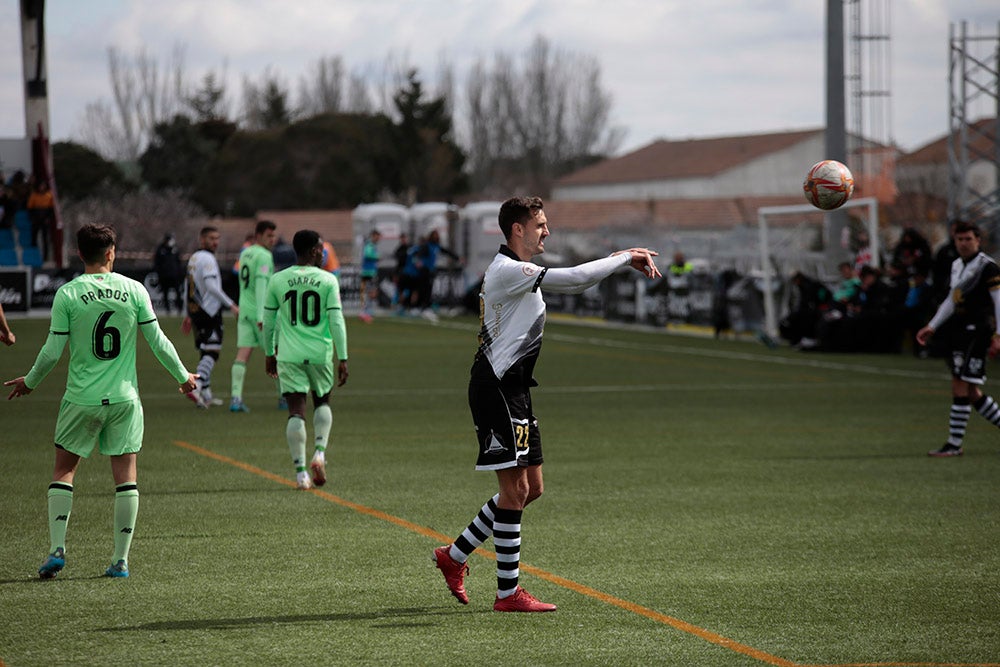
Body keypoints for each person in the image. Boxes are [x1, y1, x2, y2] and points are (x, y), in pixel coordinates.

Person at [432, 196, 661, 612]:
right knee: (514, 490)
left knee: (531, 489)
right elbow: (573, 279)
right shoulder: (507, 270)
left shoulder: (519, 271)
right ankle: (507, 594)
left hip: (516, 388)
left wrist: (615, 258)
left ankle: (454, 555)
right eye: (540, 224)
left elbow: (574, 276)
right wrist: (625, 257)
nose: (547, 231)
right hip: (496, 388)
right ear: (517, 229)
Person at [3, 223, 198, 579]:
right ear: (111, 253)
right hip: (125, 400)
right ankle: (120, 560)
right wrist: (184, 377)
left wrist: (30, 383)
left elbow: (51, 353)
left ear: (79, 253)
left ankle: (57, 549)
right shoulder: (134, 290)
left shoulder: (68, 294)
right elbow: (158, 342)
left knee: (64, 471)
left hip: (81, 399)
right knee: (126, 479)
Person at [263, 230, 349, 490]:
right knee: (322, 400)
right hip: (320, 353)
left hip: (289, 355)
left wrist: (269, 353)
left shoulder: (278, 280)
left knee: (295, 411)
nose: (323, 253)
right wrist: (343, 357)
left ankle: (301, 474)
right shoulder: (327, 280)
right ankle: (320, 453)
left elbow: (268, 322)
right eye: (321, 249)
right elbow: (336, 320)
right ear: (313, 251)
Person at [916, 220, 1000, 457]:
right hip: (959, 330)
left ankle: (954, 444)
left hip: (979, 330)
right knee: (972, 392)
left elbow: (999, 302)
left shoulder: (988, 267)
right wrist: (932, 326)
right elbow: (951, 301)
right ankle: (954, 444)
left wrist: (999, 335)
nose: (963, 244)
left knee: (959, 384)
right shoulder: (956, 265)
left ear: (978, 240)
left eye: (968, 239)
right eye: (959, 239)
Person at [182, 226, 238, 408]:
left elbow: (186, 285)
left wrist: (187, 313)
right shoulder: (208, 259)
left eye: (217, 238)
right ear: (202, 239)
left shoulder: (194, 258)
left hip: (195, 309)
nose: (215, 242)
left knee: (205, 350)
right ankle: (196, 386)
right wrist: (231, 305)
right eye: (211, 238)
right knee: (213, 351)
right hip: (209, 311)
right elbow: (212, 287)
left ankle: (205, 395)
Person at [229, 220, 277, 413]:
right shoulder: (264, 255)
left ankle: (235, 398)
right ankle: (285, 396)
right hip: (259, 313)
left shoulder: (245, 253)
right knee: (276, 354)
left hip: (245, 311)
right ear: (258, 236)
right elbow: (260, 286)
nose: (272, 240)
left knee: (242, 356)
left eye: (274, 236)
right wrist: (261, 315)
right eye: (269, 236)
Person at [153, 232, 184, 315]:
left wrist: (180, 274)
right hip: (164, 276)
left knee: (178, 293)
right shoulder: (160, 250)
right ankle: (168, 310)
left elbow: (178, 263)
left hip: (175, 276)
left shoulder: (175, 249)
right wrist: (159, 274)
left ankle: (179, 309)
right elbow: (157, 263)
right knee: (165, 293)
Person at [27, 179, 55, 262]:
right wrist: (33, 218)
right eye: (40, 186)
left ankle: (45, 257)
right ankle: (33, 255)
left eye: (43, 186)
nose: (42, 187)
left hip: (45, 217)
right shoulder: (34, 195)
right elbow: (30, 208)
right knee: (34, 237)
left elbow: (51, 209)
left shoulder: (49, 195)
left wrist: (48, 218)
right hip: (36, 217)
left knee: (45, 238)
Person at [359, 230, 381, 322]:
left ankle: (366, 311)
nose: (378, 239)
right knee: (370, 292)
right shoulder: (369, 245)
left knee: (369, 292)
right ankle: (365, 312)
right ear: (373, 236)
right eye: (377, 236)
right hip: (368, 273)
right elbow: (368, 255)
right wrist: (377, 256)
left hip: (369, 272)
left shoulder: (371, 245)